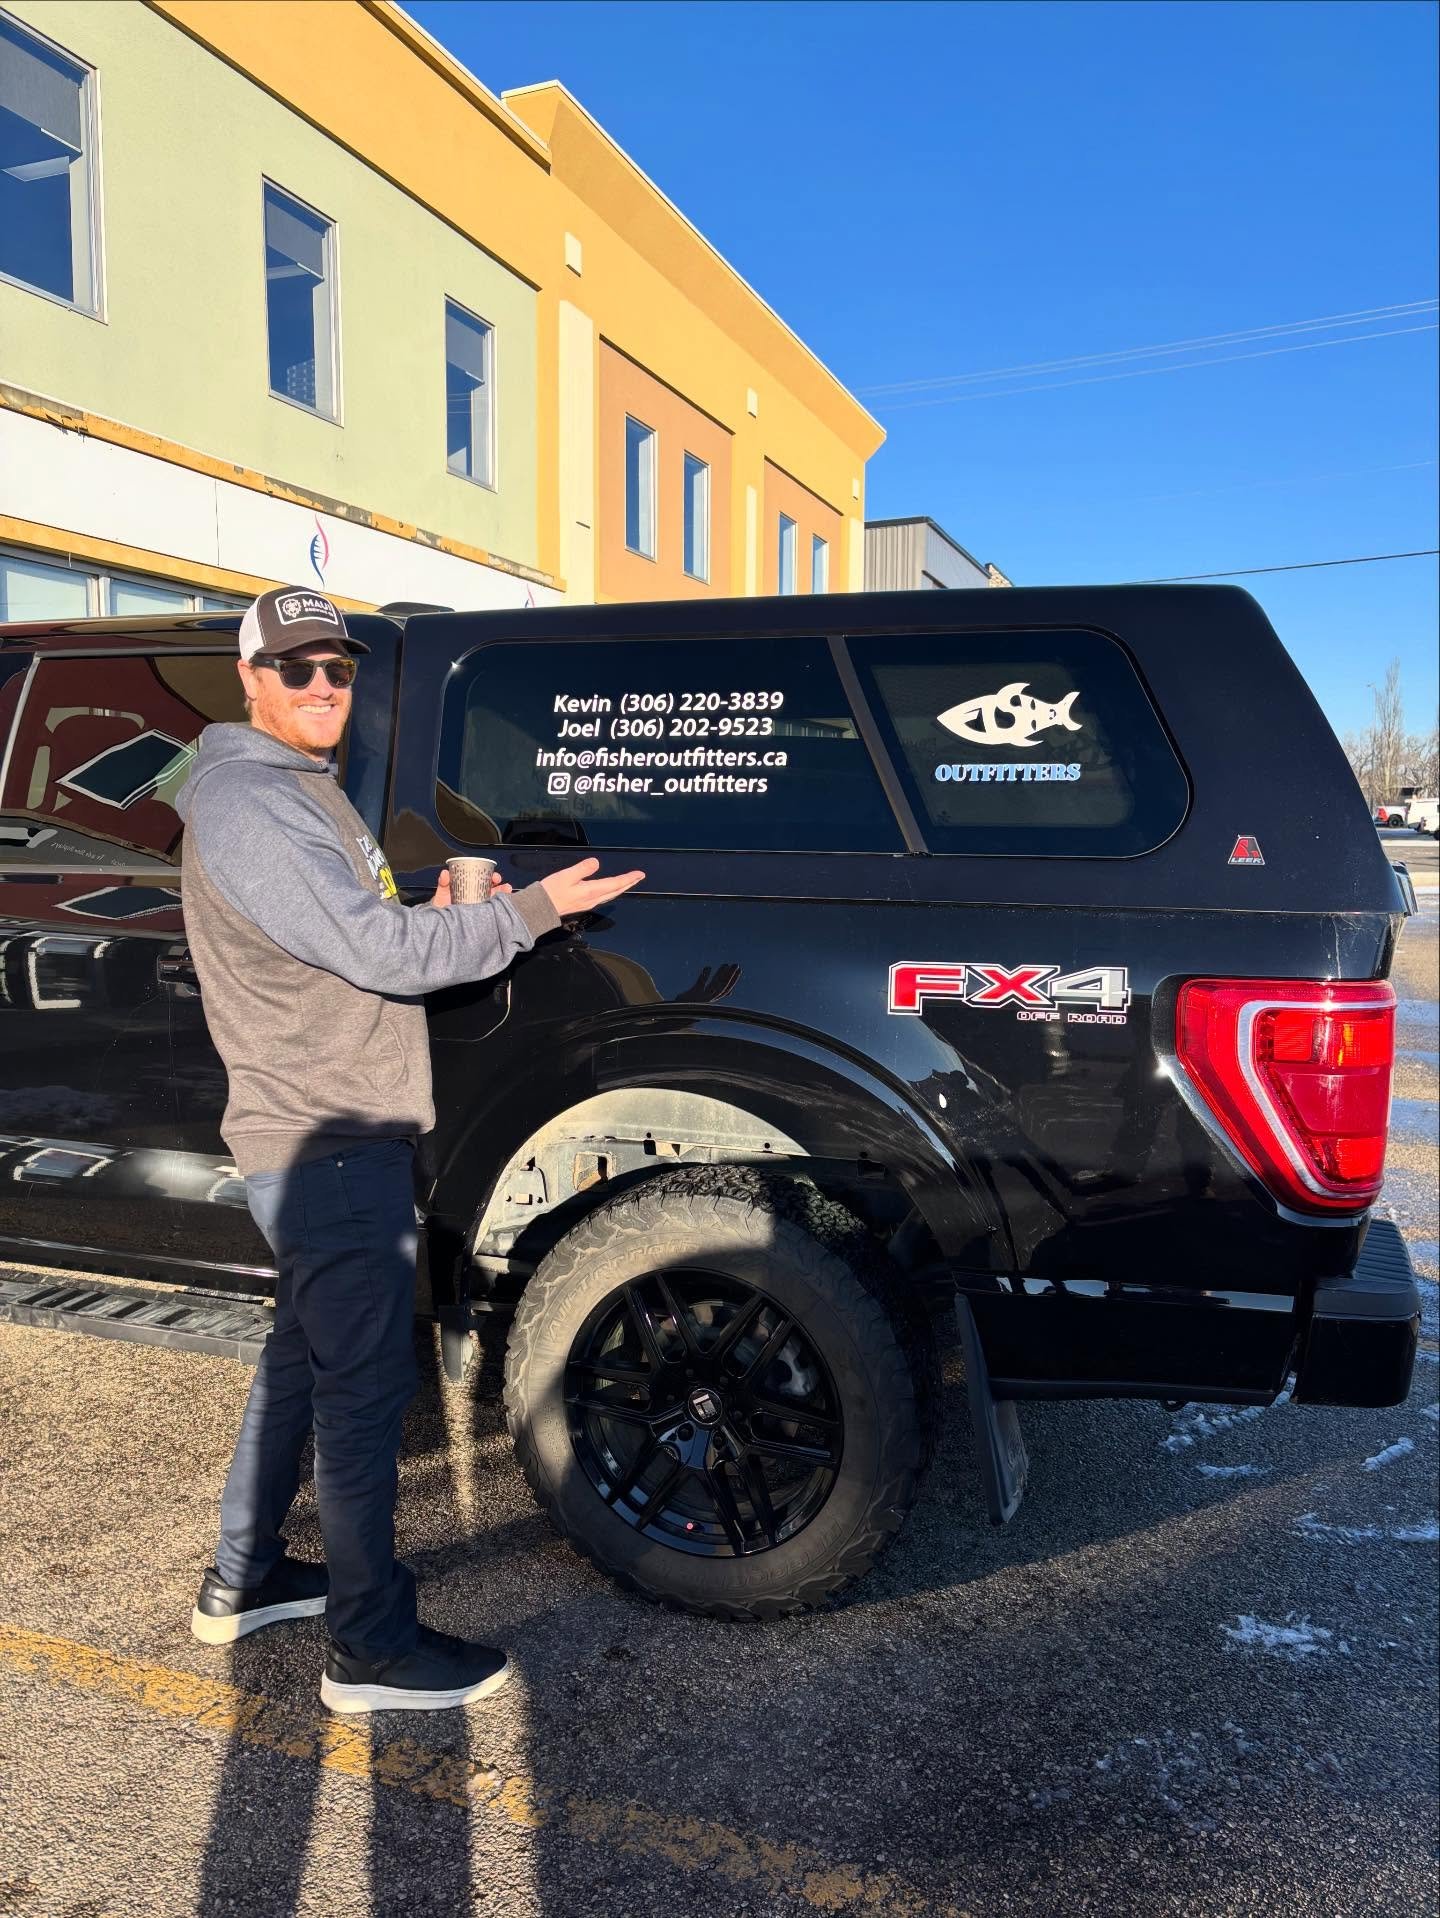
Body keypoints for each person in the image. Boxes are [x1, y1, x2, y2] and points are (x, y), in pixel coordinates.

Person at [175, 586, 642, 1713]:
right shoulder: (250, 801)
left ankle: (242, 1579)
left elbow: (346, 924)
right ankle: (369, 1648)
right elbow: (374, 950)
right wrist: (521, 914)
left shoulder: (288, 790)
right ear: (251, 679)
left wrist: (436, 906)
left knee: (301, 1356)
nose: (326, 688)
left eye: (337, 669)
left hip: (324, 1125)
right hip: (326, 1133)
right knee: (363, 1389)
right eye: (299, 671)